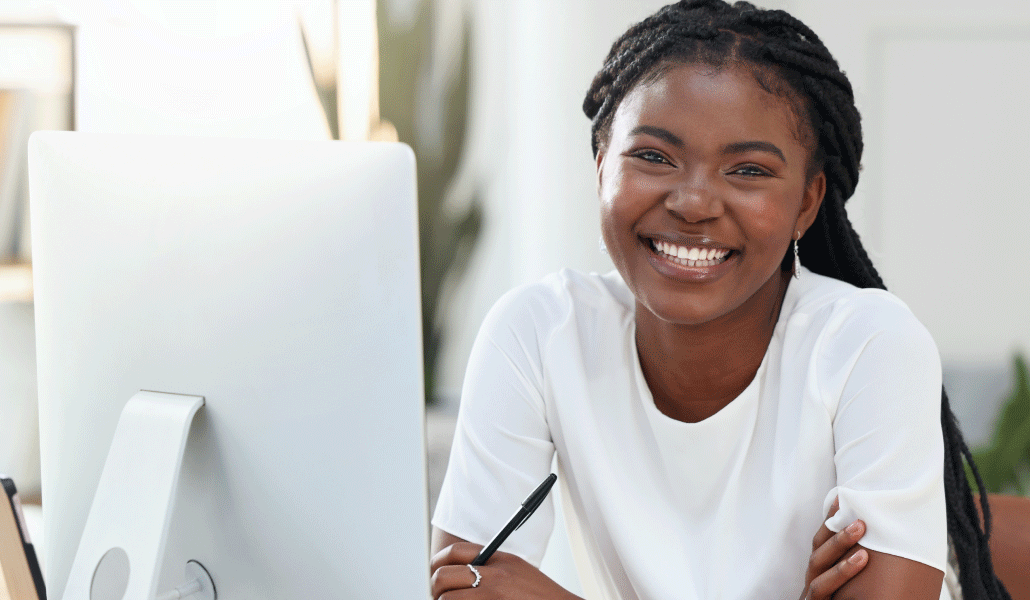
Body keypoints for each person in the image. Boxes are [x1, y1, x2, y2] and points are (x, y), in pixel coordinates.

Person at [427, 1, 1010, 598]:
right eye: (653, 157)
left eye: (748, 170)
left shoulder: (871, 345)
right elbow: (465, 584)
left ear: (806, 204)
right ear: (603, 166)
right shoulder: (538, 332)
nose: (694, 202)